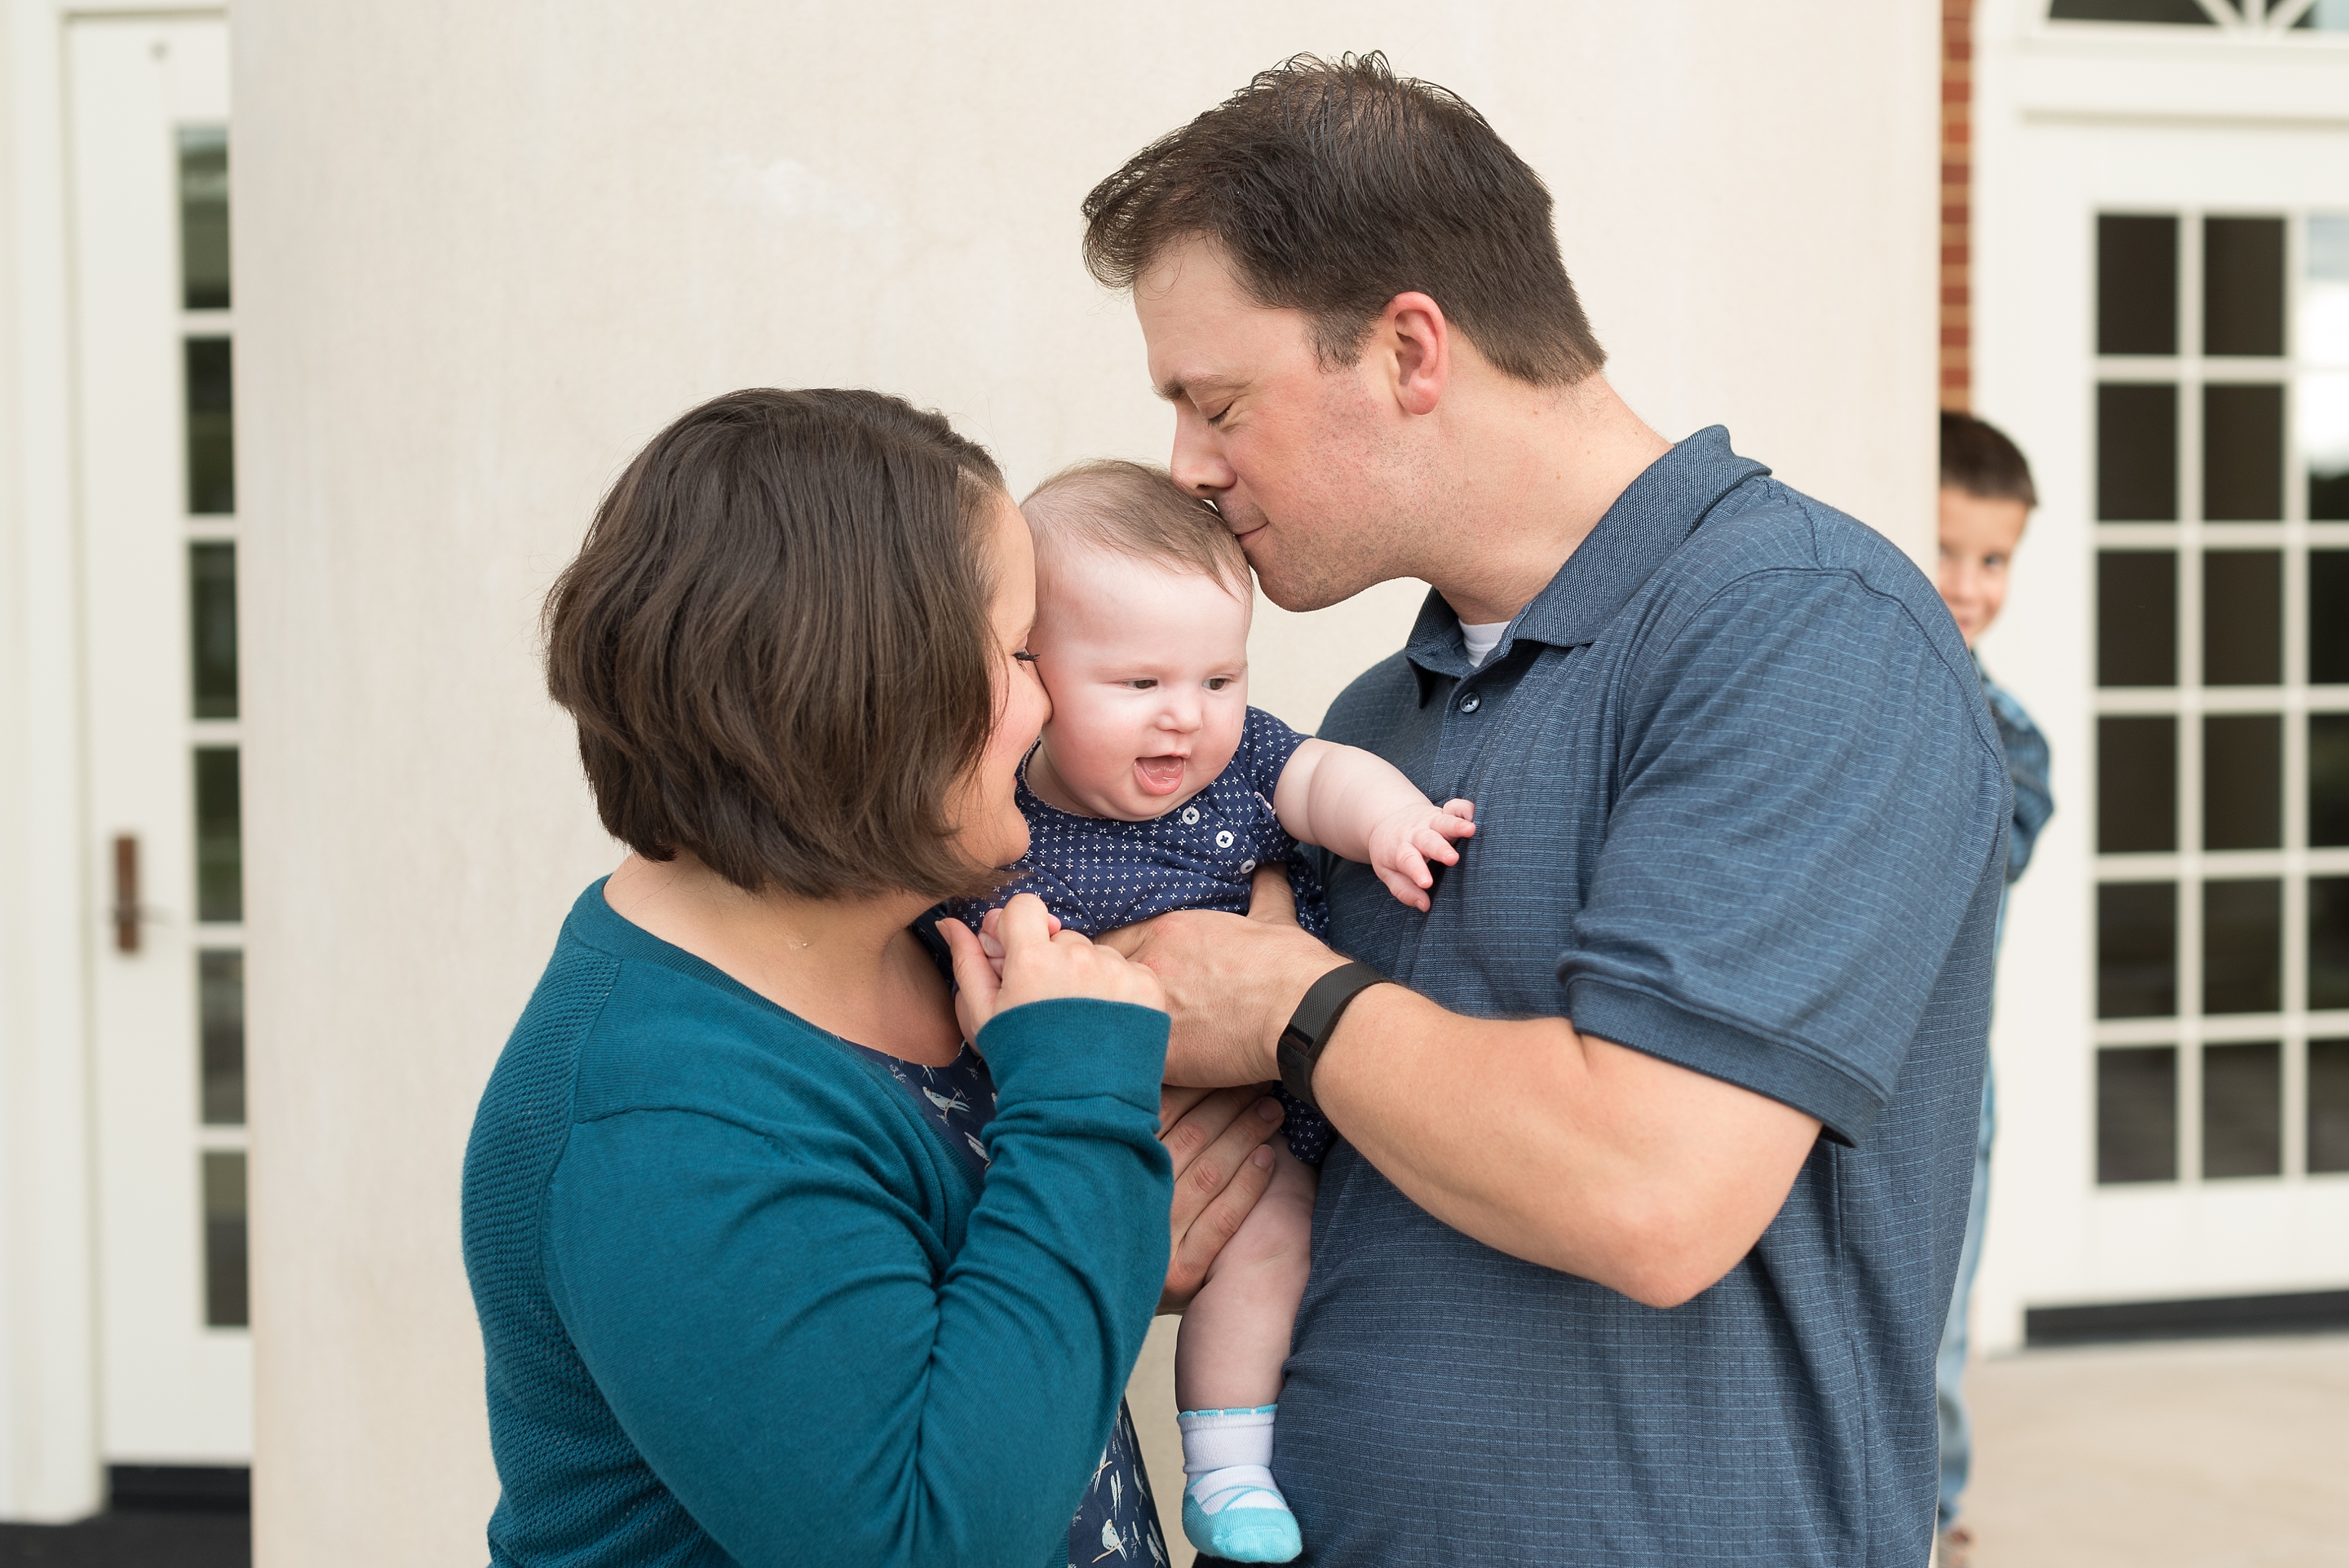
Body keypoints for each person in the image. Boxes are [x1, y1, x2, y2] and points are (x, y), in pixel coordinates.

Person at [1081, 55, 2013, 1566]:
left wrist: (1287, 1004)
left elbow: (1652, 1187)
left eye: (1219, 401)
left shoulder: (1806, 635)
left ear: (1408, 349)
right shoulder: (1376, 725)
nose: (1187, 467)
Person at [459, 388, 1290, 1567]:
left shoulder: (935, 949)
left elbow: (949, 1343)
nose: (1053, 700)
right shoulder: (661, 1121)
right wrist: (1079, 1121)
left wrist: (1099, 1248)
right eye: (1018, 652)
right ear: (871, 688)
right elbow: (926, 1544)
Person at [944, 458, 1475, 1564]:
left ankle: (1228, 1470)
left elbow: (1323, 774)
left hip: (1261, 1125)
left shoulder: (1238, 775)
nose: (1186, 719)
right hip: (1097, 1131)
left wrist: (1391, 823)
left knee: (1273, 1238)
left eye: (1220, 680)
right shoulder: (1000, 833)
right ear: (1036, 674)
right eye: (1138, 685)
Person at [1931, 410, 2055, 1568]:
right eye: (1947, 550)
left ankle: (1934, 1520)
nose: (1968, 585)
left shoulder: (2009, 735)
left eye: (1995, 559)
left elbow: (1981, 858)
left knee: (1941, 1329)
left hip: (1956, 1087)